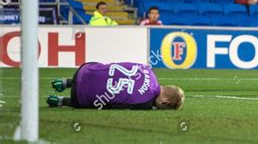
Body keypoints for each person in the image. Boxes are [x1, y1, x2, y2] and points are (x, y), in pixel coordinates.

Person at [46, 61, 184, 110]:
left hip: (84, 69)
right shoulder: (145, 103)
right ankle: (59, 101)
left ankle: (66, 82)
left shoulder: (147, 69)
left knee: (106, 70)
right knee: (99, 103)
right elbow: (112, 105)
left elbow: (117, 64)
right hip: (79, 97)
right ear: (164, 102)